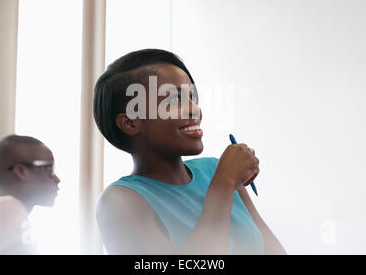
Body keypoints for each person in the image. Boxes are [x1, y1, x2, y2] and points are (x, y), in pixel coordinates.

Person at [93, 48, 286, 254]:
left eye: (192, 97)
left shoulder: (214, 169)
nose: (195, 109)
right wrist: (223, 184)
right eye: (175, 100)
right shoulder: (119, 202)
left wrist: (225, 180)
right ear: (130, 123)